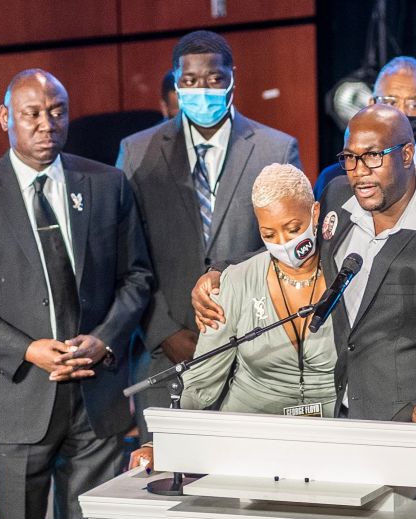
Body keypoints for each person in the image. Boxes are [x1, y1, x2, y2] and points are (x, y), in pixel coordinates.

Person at [194, 105, 416, 498]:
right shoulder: (339, 196)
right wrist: (221, 272)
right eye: (350, 158)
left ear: (407, 155)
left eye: (373, 156)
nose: (359, 171)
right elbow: (290, 244)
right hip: (356, 440)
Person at [0, 69, 151, 519]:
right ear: (6, 118)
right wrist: (28, 350)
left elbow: (137, 277)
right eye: (33, 113)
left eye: (58, 111)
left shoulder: (107, 184)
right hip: (16, 397)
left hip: (96, 398)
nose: (48, 124)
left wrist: (106, 337)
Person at [116, 30, 302, 445]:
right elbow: (127, 253)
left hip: (254, 349)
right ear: (177, 83)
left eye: (214, 79)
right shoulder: (137, 151)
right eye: (191, 80)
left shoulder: (275, 148)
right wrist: (163, 330)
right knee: (167, 481)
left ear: (232, 78)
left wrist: (232, 322)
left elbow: (287, 250)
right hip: (164, 351)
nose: (203, 89)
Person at [129, 163, 335, 471]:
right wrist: (163, 441)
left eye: (293, 228)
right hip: (246, 440)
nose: (284, 243)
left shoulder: (346, 273)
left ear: (315, 214)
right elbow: (201, 382)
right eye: (269, 233)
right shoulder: (235, 281)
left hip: (331, 439)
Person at [314, 56, 416, 211]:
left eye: (414, 104)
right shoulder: (332, 180)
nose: (400, 113)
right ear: (371, 104)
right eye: (390, 102)